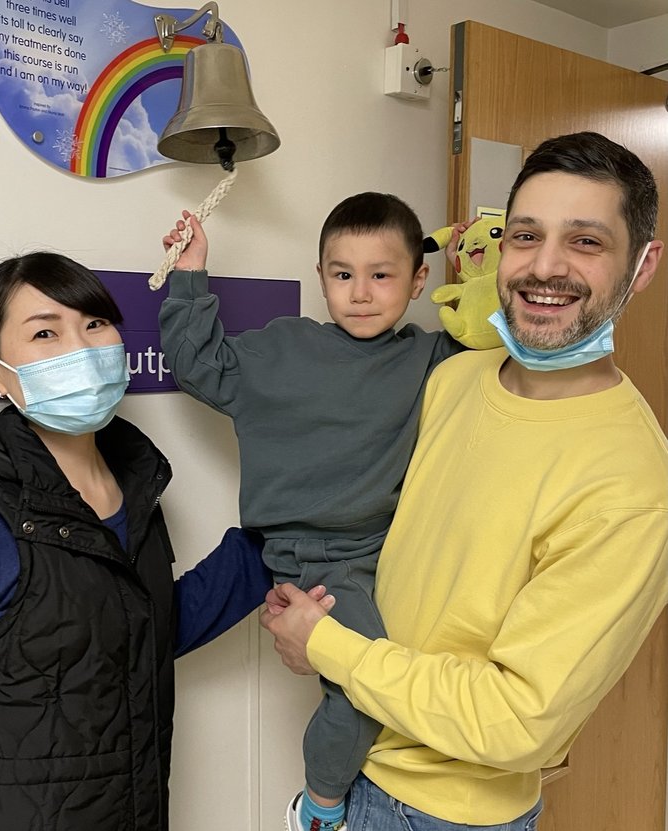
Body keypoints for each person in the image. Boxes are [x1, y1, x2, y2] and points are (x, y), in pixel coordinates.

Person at [260, 130, 668, 830]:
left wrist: (326, 643)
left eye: (586, 242)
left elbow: (516, 719)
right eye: (525, 235)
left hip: (444, 813)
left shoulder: (631, 486)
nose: (545, 267)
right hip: (352, 760)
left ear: (642, 265)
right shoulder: (454, 378)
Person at [158, 193, 496, 831]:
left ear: (420, 280)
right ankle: (319, 803)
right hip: (317, 560)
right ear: (321, 278)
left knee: (447, 678)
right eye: (343, 275)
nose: (361, 293)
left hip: (401, 552)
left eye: (382, 275)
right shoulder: (284, 349)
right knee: (369, 687)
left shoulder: (431, 359)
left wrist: (480, 270)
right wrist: (190, 272)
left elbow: (499, 354)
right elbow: (200, 365)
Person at [0, 252, 272, 831]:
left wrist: (274, 548)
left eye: (94, 325)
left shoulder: (133, 483)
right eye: (44, 333)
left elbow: (132, 631)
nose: (80, 349)